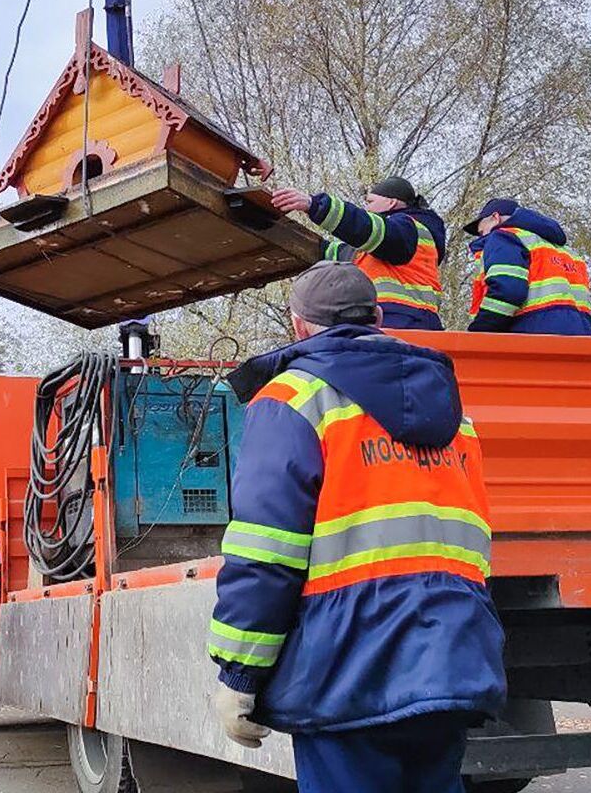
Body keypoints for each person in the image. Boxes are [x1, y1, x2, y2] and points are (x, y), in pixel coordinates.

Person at [206, 262, 506, 792]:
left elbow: (266, 554)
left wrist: (240, 673)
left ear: (299, 326)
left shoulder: (291, 399)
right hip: (453, 655)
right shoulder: (453, 412)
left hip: (348, 669)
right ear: (380, 315)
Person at [272, 176, 447, 330]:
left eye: (370, 202)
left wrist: (315, 205)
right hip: (392, 323)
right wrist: (277, 231)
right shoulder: (380, 244)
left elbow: (364, 227)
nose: (367, 208)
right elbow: (331, 252)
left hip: (405, 323)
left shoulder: (407, 227)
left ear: (391, 202)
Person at [464, 198, 591, 335]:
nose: (481, 237)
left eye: (481, 232)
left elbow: (508, 291)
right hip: (581, 339)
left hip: (533, 336)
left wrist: (479, 332)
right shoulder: (568, 253)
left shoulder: (504, 237)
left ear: (495, 218)